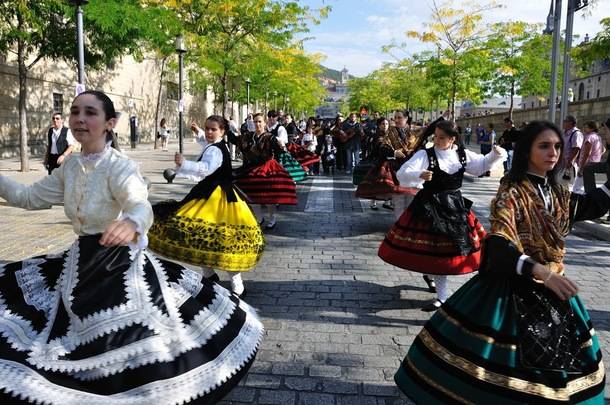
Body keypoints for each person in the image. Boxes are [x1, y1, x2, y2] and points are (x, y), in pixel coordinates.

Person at [0, 90, 263, 404]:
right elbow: (29, 198)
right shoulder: (69, 168)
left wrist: (132, 223)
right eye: (75, 112)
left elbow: (140, 204)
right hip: (80, 263)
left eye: (90, 112)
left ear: (109, 123)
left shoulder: (119, 166)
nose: (80, 119)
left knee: (124, 344)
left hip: (117, 265)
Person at [394, 120, 609, 404]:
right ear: (526, 151)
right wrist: (541, 272)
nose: (553, 153)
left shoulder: (557, 191)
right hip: (514, 286)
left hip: (554, 285)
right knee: (503, 367)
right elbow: (497, 245)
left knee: (561, 360)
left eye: (557, 146)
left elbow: (589, 205)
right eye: (544, 146)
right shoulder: (513, 190)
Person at [378, 120, 506, 311]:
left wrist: (495, 155)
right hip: (429, 207)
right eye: (435, 136)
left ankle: (436, 282)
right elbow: (403, 173)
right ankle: (442, 296)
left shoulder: (462, 155)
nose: (437, 141)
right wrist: (420, 174)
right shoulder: (425, 154)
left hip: (454, 206)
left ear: (452, 139)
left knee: (449, 249)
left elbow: (479, 167)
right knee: (436, 250)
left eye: (442, 138)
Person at [148, 115, 265, 297]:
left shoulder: (216, 151)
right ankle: (210, 274)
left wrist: (184, 164)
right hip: (211, 194)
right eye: (207, 128)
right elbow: (207, 144)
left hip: (218, 199)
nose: (209, 132)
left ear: (223, 131)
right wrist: (199, 133)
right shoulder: (219, 145)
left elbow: (206, 168)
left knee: (223, 241)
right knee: (199, 234)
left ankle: (236, 284)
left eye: (213, 129)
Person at [232, 113, 297, 230]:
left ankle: (272, 219)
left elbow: (280, 151)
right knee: (252, 195)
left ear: (264, 123)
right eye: (255, 122)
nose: (257, 124)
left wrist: (281, 146)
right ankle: (259, 218)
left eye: (260, 122)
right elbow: (235, 140)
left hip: (267, 168)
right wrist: (226, 127)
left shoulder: (270, 137)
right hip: (252, 168)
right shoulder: (248, 136)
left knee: (268, 196)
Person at [573, 121, 605, 194]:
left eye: (586, 127)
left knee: (576, 189)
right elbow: (603, 149)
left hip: (587, 165)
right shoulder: (598, 137)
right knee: (589, 186)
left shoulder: (589, 137)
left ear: (592, 128)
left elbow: (587, 154)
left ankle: (579, 203)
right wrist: (597, 156)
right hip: (594, 164)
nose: (584, 128)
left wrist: (581, 169)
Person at [561, 115, 584, 190]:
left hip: (569, 164)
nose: (563, 123)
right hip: (562, 163)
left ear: (570, 123)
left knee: (567, 185)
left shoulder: (576, 133)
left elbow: (576, 148)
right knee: (560, 184)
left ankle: (568, 200)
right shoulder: (564, 133)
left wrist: (570, 161)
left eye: (565, 121)